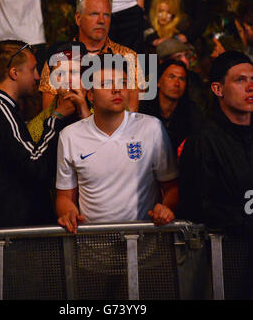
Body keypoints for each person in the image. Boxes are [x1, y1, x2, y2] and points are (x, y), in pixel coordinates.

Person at [56, 56, 179, 233]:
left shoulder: (151, 128)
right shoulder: (70, 136)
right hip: (92, 247)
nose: (117, 90)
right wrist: (68, 213)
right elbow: (64, 196)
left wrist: (166, 207)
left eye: (122, 83)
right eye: (106, 84)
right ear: (90, 95)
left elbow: (172, 187)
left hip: (145, 245)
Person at [0, 40, 64, 229]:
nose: (37, 77)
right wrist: (57, 117)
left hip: (5, 226)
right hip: (8, 229)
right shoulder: (0, 112)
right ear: (14, 73)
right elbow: (35, 163)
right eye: (33, 69)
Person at [178, 50, 253, 233]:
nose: (250, 87)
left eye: (252, 79)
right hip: (228, 252)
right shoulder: (202, 142)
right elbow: (197, 207)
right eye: (240, 80)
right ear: (218, 89)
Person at [39, 0, 144, 112]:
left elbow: (132, 112)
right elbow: (48, 111)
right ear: (78, 18)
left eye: (106, 15)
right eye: (94, 14)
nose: (101, 21)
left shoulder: (129, 56)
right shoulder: (59, 57)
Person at [139, 59, 203, 154]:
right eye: (171, 77)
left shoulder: (192, 113)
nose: (177, 84)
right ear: (158, 82)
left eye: (181, 79)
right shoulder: (144, 110)